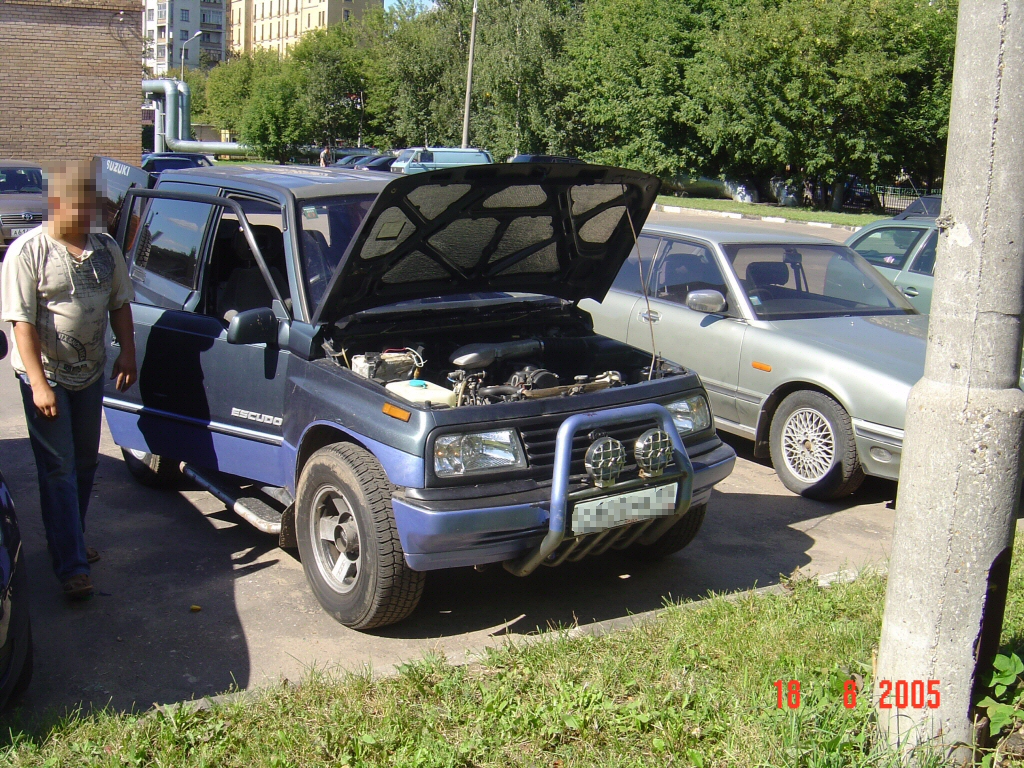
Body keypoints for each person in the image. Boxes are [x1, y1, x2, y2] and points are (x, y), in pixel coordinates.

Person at [0, 159, 137, 601]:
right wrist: (39, 383)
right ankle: (72, 565)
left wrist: (128, 353)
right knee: (58, 467)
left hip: (90, 373)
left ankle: (70, 538)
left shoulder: (105, 248)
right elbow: (21, 323)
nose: (90, 213)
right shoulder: (27, 251)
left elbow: (120, 304)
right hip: (48, 376)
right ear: (58, 203)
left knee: (84, 463)